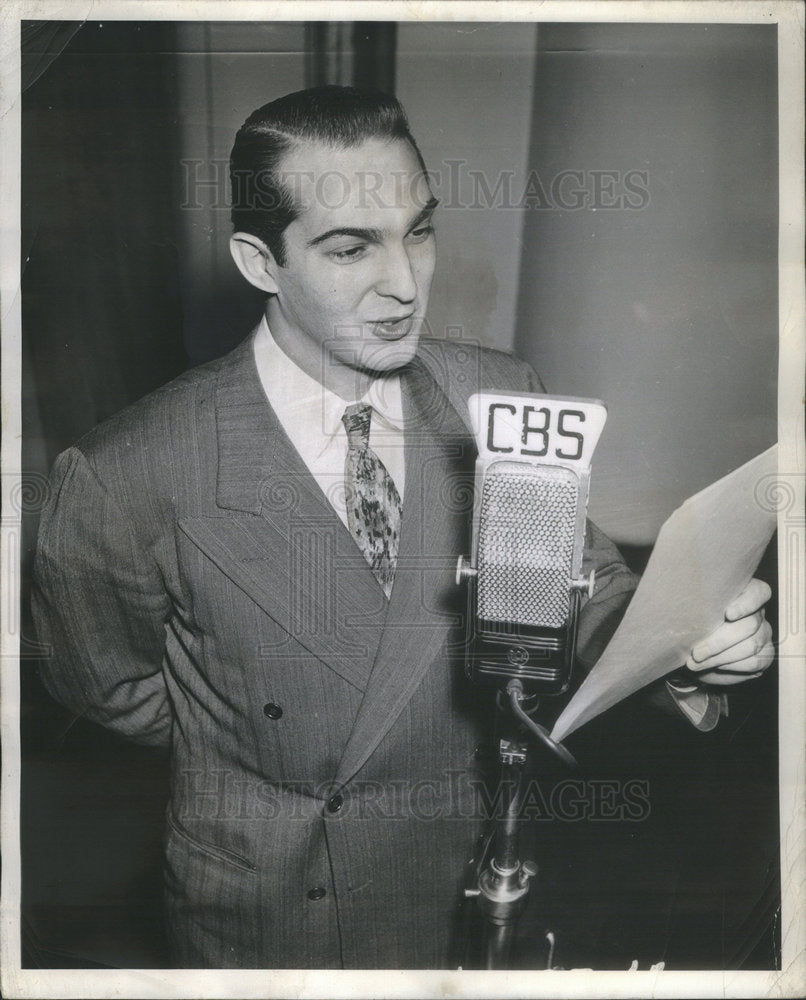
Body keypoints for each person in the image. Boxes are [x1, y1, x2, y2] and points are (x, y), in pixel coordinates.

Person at [31, 86, 774, 970]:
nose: (406, 285)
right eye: (351, 248)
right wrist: (254, 742)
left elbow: (579, 590)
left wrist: (684, 647)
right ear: (259, 261)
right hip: (274, 912)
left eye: (418, 230)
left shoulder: (495, 397)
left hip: (464, 877)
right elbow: (106, 687)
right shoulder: (126, 472)